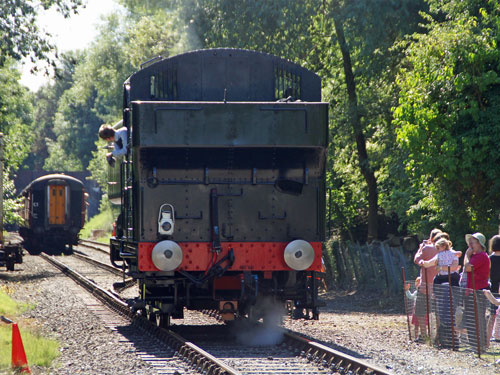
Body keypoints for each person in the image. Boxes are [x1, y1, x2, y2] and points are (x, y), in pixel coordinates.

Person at [462, 232, 491, 351]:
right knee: (471, 318)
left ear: (479, 244)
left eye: (472, 242)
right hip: (471, 290)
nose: (470, 245)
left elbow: (467, 267)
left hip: (478, 291)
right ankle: (474, 344)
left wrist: (466, 255)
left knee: (478, 318)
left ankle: (479, 345)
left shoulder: (481, 256)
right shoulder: (475, 256)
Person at [413, 228, 442, 339]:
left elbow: (417, 260)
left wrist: (421, 248)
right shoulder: (445, 250)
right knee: (438, 313)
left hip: (425, 286)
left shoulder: (428, 248)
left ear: (431, 238)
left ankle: (424, 335)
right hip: (439, 287)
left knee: (420, 311)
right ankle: (438, 336)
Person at [404, 277, 426, 341]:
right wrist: (407, 290)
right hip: (415, 310)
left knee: (423, 323)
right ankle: (416, 337)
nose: (418, 284)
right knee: (416, 324)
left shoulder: (425, 292)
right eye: (417, 282)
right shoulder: (416, 292)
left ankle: (424, 336)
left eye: (420, 282)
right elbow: (410, 296)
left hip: (423, 310)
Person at [487, 235, 500, 342]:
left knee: (492, 313)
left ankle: (490, 335)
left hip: (493, 287)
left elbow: (488, 273)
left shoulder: (490, 258)